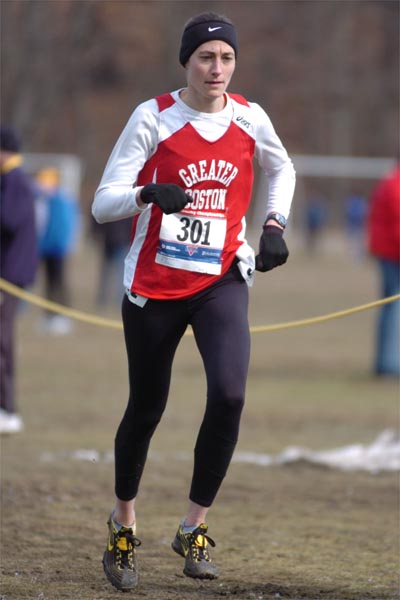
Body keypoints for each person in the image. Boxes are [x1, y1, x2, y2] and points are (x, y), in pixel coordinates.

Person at [92, 12, 295, 592]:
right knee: (147, 408)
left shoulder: (251, 118)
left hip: (221, 280)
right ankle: (123, 524)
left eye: (226, 58)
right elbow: (103, 203)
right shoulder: (153, 118)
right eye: (206, 57)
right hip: (153, 286)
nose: (217, 68)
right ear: (187, 61)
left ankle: (193, 526)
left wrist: (274, 224)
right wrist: (147, 193)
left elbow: (283, 168)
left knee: (230, 394)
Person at [0, 126, 38, 434]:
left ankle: (7, 409)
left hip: (8, 276)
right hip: (9, 273)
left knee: (2, 341)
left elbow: (9, 221)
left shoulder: (13, 180)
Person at [35, 167, 79, 334]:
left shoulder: (62, 200)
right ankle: (50, 316)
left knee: (59, 283)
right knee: (48, 283)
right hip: (46, 249)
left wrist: (64, 245)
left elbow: (64, 226)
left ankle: (63, 317)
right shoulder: (43, 200)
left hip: (58, 249)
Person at [367, 164, 400, 377]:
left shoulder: (390, 180)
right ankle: (389, 364)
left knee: (390, 305)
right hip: (392, 253)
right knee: (393, 306)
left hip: (387, 250)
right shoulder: (395, 184)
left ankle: (385, 362)